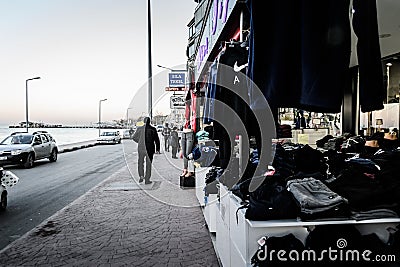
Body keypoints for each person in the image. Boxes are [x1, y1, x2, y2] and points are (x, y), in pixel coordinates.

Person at [132, 117, 160, 184]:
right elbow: (157, 140)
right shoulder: (153, 129)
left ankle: (141, 176)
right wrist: (157, 149)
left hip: (141, 148)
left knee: (140, 162)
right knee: (148, 164)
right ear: (149, 122)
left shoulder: (139, 128)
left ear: (143, 121)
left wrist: (139, 142)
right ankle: (147, 179)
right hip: (150, 149)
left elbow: (134, 137)